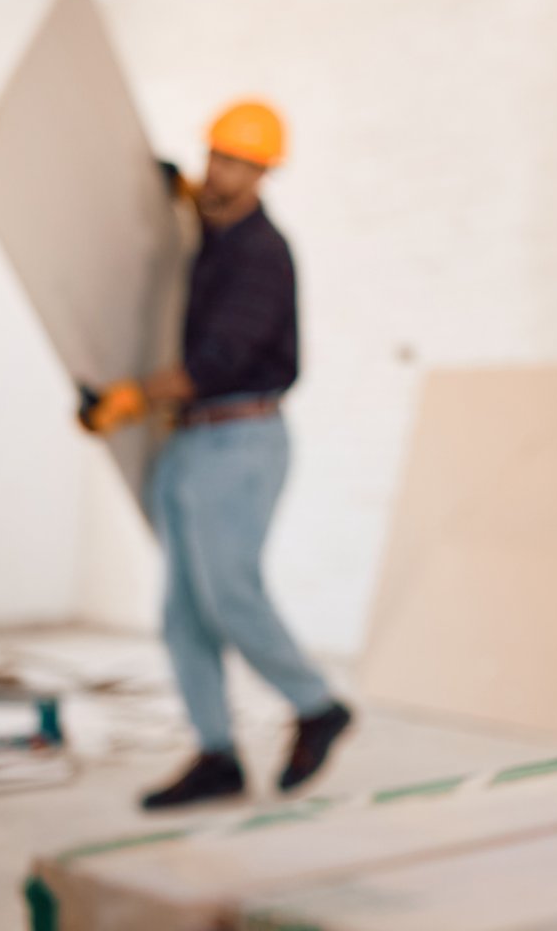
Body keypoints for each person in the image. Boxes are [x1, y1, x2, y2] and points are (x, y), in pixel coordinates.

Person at [86, 99, 353, 808]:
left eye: (238, 163)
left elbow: (215, 359)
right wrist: (173, 196)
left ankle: (317, 704)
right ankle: (216, 754)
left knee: (228, 592)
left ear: (265, 172)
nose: (221, 173)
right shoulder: (211, 232)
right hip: (193, 439)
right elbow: (195, 219)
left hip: (241, 438)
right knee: (181, 612)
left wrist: (128, 399)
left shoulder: (263, 253)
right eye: (216, 158)